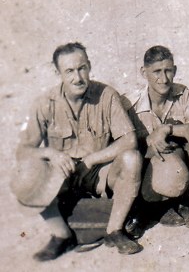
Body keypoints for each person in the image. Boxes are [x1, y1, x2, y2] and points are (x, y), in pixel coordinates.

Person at [11, 42, 143, 261]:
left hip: (97, 172)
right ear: (58, 73)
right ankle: (61, 235)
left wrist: (92, 159)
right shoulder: (44, 103)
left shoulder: (106, 94)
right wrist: (51, 154)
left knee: (132, 158)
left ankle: (114, 230)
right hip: (61, 174)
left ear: (89, 66)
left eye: (82, 68)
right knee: (25, 172)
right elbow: (23, 150)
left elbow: (129, 139)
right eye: (69, 71)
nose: (78, 77)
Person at [122, 45, 189, 230]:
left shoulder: (185, 95)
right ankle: (157, 207)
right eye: (157, 72)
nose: (163, 79)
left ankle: (185, 201)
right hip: (148, 162)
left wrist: (169, 129)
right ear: (144, 72)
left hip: (178, 157)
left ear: (175, 70)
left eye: (168, 71)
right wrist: (149, 140)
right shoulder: (130, 103)